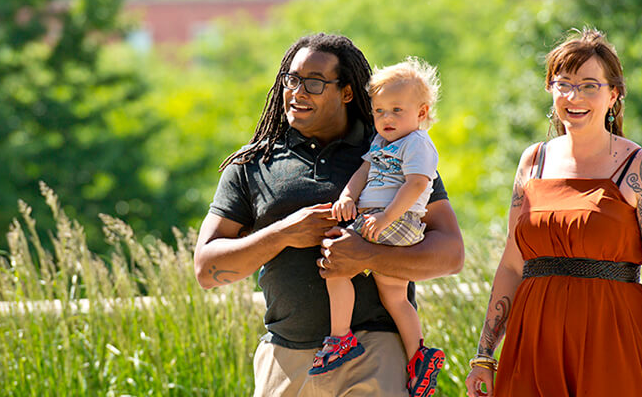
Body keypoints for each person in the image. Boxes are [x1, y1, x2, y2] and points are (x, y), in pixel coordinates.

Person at [193, 33, 465, 397]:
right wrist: (283, 233)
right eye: (291, 79)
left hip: (375, 354)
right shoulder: (252, 165)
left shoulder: (393, 151)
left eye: (315, 83)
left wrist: (367, 255)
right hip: (285, 359)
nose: (298, 92)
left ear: (347, 92)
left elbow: (451, 254)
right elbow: (206, 270)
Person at [463, 28, 642, 397]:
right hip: (533, 342)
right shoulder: (533, 161)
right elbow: (511, 264)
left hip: (614, 341)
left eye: (590, 86)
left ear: (614, 94)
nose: (574, 97)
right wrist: (484, 355)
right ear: (550, 89)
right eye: (564, 84)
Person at [319, 57, 446, 396]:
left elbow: (417, 185)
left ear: (421, 112)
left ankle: (340, 337)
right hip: (381, 219)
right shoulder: (380, 142)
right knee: (395, 297)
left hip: (396, 220)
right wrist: (347, 196)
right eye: (379, 111)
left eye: (396, 110)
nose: (386, 118)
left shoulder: (417, 142)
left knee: (336, 259)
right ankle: (418, 356)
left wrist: (386, 217)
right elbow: (363, 173)